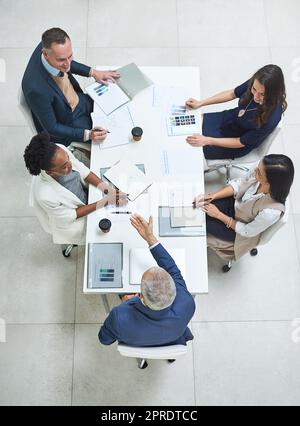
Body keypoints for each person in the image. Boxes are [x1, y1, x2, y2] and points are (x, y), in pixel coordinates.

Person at [98, 214, 195, 347]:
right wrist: (150, 238)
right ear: (174, 289)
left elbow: (104, 339)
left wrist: (127, 303)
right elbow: (173, 270)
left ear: (140, 296)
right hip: (172, 339)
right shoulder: (187, 303)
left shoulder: (119, 316)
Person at [23, 132, 127, 245]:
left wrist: (107, 189)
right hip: (74, 220)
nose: (70, 165)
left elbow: (82, 170)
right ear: (50, 172)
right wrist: (105, 201)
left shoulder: (60, 151)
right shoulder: (45, 195)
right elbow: (71, 215)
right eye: (64, 167)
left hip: (85, 196)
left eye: (68, 159)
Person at [22, 27, 119, 146]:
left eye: (70, 56)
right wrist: (88, 134)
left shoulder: (50, 47)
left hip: (78, 99)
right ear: (45, 54)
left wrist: (93, 72)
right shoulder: (35, 89)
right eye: (62, 60)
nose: (68, 64)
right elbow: (51, 127)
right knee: (110, 136)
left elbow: (67, 63)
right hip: (68, 121)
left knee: (114, 108)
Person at [193, 154, 294, 260]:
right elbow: (240, 184)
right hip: (236, 205)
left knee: (202, 225)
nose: (254, 170)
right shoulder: (260, 168)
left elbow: (247, 231)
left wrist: (218, 215)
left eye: (259, 172)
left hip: (238, 230)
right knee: (199, 209)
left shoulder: (271, 212)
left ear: (268, 184)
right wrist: (212, 196)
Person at [185, 64, 287, 160]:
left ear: (273, 93)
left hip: (235, 141)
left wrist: (207, 140)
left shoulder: (272, 118)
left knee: (189, 147)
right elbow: (232, 93)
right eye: (254, 89)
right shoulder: (257, 82)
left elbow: (240, 142)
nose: (255, 96)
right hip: (230, 118)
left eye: (262, 94)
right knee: (190, 122)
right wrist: (201, 103)